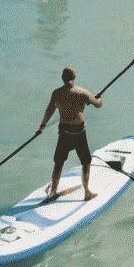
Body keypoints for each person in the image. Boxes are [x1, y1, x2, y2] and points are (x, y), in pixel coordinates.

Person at [37, 66, 104, 201]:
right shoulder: (83, 93)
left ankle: (53, 192)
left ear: (62, 78)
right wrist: (98, 97)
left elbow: (49, 111)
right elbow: (97, 104)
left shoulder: (56, 93)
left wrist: (41, 127)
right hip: (79, 133)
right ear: (74, 77)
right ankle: (86, 192)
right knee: (86, 162)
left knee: (59, 162)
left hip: (64, 133)